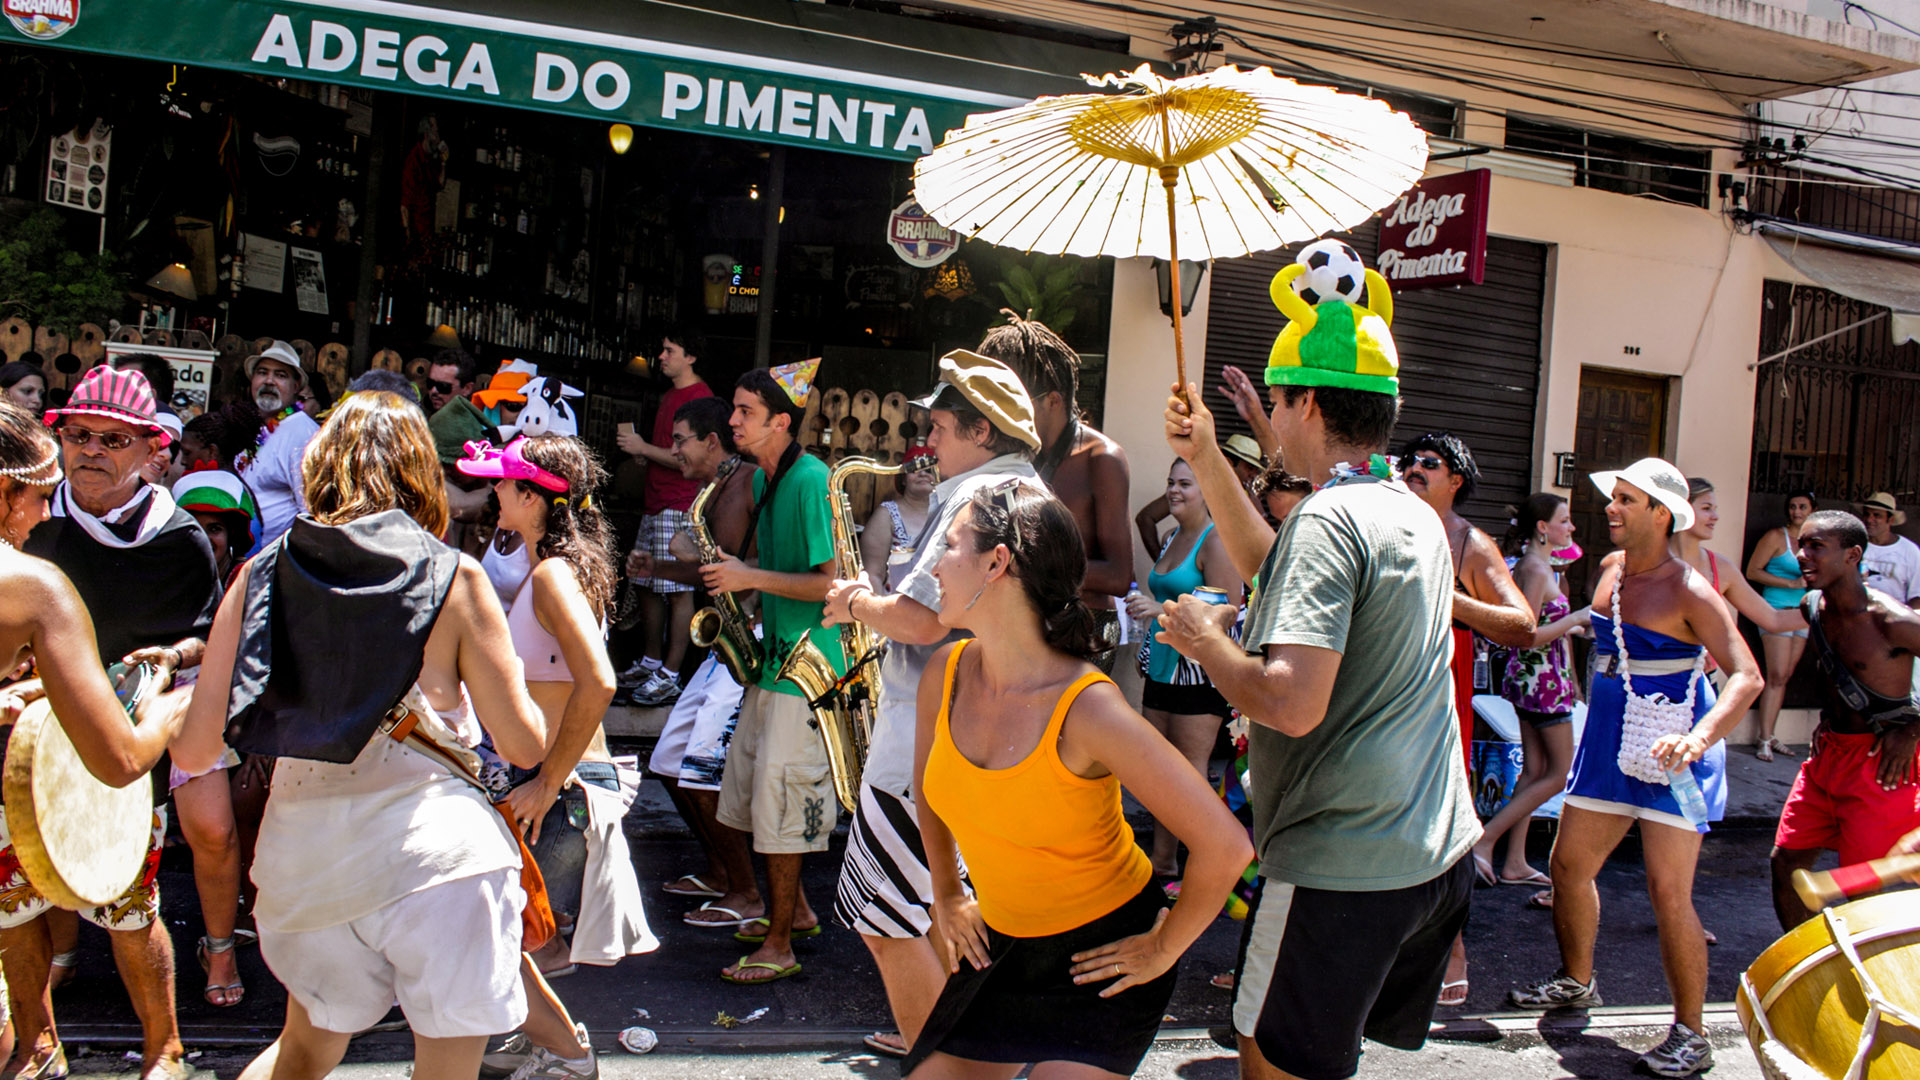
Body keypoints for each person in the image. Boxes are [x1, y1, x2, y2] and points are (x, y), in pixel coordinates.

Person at [172, 391, 550, 1080]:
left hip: (304, 865)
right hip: (438, 860)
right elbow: (523, 747)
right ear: (420, 475)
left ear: (318, 468)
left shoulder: (259, 574)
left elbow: (196, 753)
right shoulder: (455, 577)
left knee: (306, 1049)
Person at [1160, 274, 1482, 1080]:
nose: (1267, 414)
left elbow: (1290, 703)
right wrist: (1205, 455)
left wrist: (1207, 644)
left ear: (1308, 404)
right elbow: (1282, 569)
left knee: (1273, 1063)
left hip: (1342, 862)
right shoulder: (1406, 509)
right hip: (1430, 853)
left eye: (1274, 398)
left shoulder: (1331, 519)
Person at [903, 480, 1253, 1077]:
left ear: (997, 562)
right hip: (999, 946)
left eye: (951, 546)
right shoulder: (947, 669)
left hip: (1105, 960)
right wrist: (948, 894)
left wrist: (1162, 948)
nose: (933, 564)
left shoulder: (1089, 709)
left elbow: (1226, 847)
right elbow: (930, 797)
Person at [1508, 458, 1762, 1079]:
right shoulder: (1610, 570)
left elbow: (1746, 675)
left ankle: (1691, 1034)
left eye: (1626, 499)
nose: (1610, 508)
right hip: (1606, 745)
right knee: (1567, 868)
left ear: (1661, 513)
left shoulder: (1691, 589)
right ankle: (1576, 981)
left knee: (1668, 893)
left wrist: (1699, 739)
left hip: (1669, 751)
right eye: (1612, 497)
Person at [819, 349, 1041, 1059]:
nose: (928, 444)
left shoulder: (973, 500)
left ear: (983, 433)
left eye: (941, 427)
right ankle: (961, 1056)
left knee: (886, 918)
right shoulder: (1032, 491)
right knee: (946, 915)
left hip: (928, 743)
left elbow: (920, 619)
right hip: (989, 740)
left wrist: (856, 600)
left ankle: (937, 1066)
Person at [14, 365, 220, 1080]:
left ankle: (164, 1047)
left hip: (128, 738)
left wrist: (170, 656)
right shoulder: (36, 524)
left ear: (151, 451)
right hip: (25, 740)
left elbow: (207, 636)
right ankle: (36, 1042)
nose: (89, 450)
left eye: (111, 437)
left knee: (129, 905)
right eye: (76, 434)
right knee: (14, 902)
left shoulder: (181, 539)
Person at [459, 434, 653, 1080]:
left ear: (534, 497)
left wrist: (548, 780)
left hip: (553, 784)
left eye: (505, 483)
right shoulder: (560, 566)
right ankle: (521, 1040)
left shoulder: (550, 574)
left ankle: (568, 1052)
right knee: (501, 930)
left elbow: (598, 681)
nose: (495, 491)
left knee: (496, 935)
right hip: (549, 777)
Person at [693, 362, 843, 985]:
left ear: (782, 421)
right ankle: (796, 913)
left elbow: (828, 580)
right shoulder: (762, 481)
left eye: (745, 412)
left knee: (781, 810)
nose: (731, 420)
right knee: (753, 798)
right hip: (770, 664)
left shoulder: (811, 480)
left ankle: (779, 944)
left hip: (806, 671)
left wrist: (748, 577)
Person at [630, 398, 757, 906]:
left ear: (711, 441)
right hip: (721, 640)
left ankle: (747, 891)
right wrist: (657, 569)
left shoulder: (750, 482)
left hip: (754, 638)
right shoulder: (711, 489)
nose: (672, 449)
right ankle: (721, 873)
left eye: (679, 439)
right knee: (666, 761)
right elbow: (707, 570)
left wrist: (696, 555)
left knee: (702, 773)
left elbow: (761, 564)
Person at [1768, 510, 1920, 931]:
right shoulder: (1812, 605)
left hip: (1882, 764)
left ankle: (1861, 991)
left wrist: (1912, 728)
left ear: (1853, 555)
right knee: (1787, 865)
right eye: (1801, 544)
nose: (1802, 555)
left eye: (1816, 546)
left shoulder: (1893, 620)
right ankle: (1808, 968)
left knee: (1861, 893)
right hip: (1827, 759)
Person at [977, 312, 1133, 669]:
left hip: (1083, 633)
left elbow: (1119, 576)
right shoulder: (1009, 453)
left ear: (1053, 401)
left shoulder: (1102, 458)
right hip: (1016, 626)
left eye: (1016, 400)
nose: (1005, 412)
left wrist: (1022, 569)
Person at [1127, 457, 1243, 880]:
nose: (1175, 490)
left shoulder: (1216, 541)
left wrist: (1161, 609)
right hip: (1160, 666)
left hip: (1197, 674)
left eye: (1186, 484)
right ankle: (1163, 862)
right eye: (1171, 482)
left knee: (1189, 772)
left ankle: (1211, 865)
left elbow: (1228, 609)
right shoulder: (1174, 533)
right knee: (1159, 771)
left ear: (1207, 491)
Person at [1475, 493, 1589, 890]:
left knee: (1535, 771)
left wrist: (1572, 667)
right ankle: (1486, 840)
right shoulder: (1538, 570)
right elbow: (1526, 636)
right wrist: (1575, 618)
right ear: (1543, 527)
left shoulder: (1537, 566)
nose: (1571, 527)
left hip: (1536, 681)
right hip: (1542, 684)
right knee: (1558, 776)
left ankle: (1516, 862)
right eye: (1565, 520)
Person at [617, 329, 714, 707]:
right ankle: (652, 661)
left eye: (669, 349)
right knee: (646, 580)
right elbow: (669, 451)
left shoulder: (699, 398)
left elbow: (687, 458)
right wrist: (646, 454)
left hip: (679, 502)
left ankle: (671, 673)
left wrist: (644, 448)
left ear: (691, 357)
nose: (661, 356)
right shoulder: (672, 395)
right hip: (656, 500)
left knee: (678, 589)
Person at [1745, 491, 1817, 761]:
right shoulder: (1777, 537)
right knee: (1775, 675)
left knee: (1785, 675)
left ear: (1813, 510)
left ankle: (1771, 734)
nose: (1797, 512)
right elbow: (1753, 571)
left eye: (1803, 507)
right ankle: (1763, 738)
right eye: (1793, 506)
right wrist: (1790, 584)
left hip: (1802, 613)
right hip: (1775, 610)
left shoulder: (1814, 540)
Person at [238, 340, 321, 546]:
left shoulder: (302, 433)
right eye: (262, 372)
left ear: (296, 388)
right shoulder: (249, 425)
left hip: (274, 560)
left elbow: (310, 511)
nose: (269, 381)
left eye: (280, 375)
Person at [1134, 433, 1262, 556]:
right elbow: (1145, 518)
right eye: (1249, 468)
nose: (1253, 474)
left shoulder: (1248, 496)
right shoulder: (1202, 487)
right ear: (1228, 463)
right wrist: (1160, 561)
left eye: (1256, 470)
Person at [858, 445, 936, 595]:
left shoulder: (946, 511)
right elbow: (872, 575)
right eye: (914, 470)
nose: (923, 474)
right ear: (903, 479)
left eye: (929, 470)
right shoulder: (886, 515)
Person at [172, 469, 261, 585]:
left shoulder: (249, 584)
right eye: (194, 529)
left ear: (231, 536)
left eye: (214, 529)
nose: (204, 538)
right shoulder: (167, 580)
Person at [1858, 492, 1920, 609]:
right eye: (1867, 514)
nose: (1869, 520)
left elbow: (1917, 597)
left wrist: (1902, 620)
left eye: (1877, 515)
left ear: (1890, 520)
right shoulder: (1855, 545)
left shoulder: (1909, 551)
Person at [424, 348, 479, 415]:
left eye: (443, 386)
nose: (433, 391)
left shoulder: (473, 423)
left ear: (467, 388)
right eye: (430, 383)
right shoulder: (421, 417)